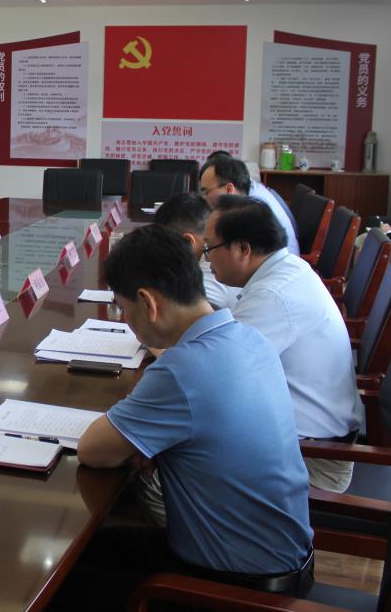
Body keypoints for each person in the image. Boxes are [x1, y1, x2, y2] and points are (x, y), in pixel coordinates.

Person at [52, 225, 313, 608]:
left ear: (148, 303)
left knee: (64, 574)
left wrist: (142, 443)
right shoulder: (248, 338)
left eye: (123, 309)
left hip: (234, 588)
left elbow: (93, 450)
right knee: (104, 541)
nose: (125, 321)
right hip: (283, 561)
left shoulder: (181, 371)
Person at [205, 195, 362, 492]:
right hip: (306, 441)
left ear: (243, 249)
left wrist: (160, 345)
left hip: (313, 460)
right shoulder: (285, 269)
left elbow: (213, 375)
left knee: (163, 474)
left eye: (209, 249)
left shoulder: (274, 295)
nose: (206, 259)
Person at [153, 192, 241, 309]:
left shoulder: (214, 263)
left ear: (188, 241)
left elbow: (186, 306)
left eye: (165, 247)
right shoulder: (213, 252)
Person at [200, 154, 300, 255]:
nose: (204, 197)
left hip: (280, 259)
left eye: (206, 192)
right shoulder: (249, 192)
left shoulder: (254, 207)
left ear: (229, 189)